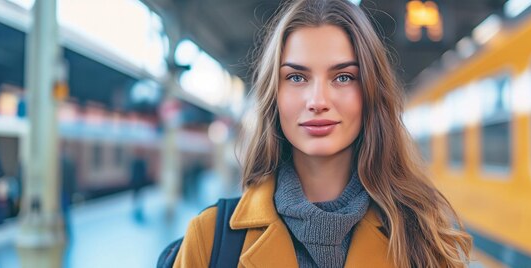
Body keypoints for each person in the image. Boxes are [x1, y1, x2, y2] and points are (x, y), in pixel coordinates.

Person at [173, 0, 472, 267]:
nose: (318, 101)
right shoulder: (210, 239)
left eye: (343, 77)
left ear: (370, 94)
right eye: (296, 77)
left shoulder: (422, 239)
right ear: (273, 95)